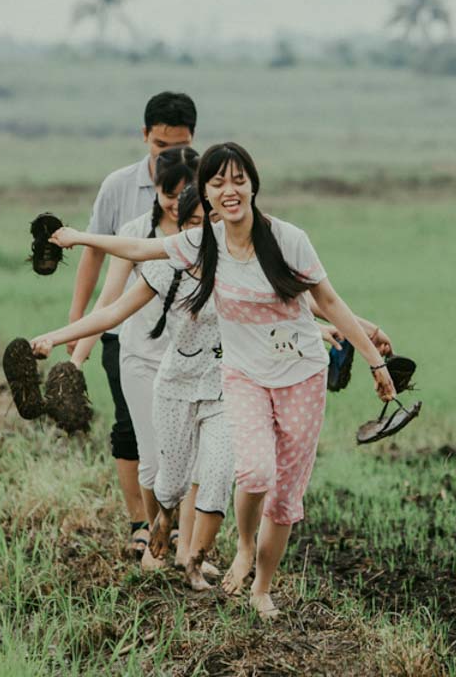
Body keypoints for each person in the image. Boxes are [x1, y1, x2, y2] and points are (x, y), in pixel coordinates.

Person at [49, 142, 396, 619]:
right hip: (242, 378)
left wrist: (373, 358)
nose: (229, 191)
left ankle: (261, 589)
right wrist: (79, 238)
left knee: (285, 498)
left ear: (253, 184)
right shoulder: (199, 244)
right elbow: (135, 250)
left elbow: (327, 302)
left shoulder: (288, 239)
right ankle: (242, 547)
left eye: (238, 180)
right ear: (206, 194)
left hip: (302, 378)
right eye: (217, 183)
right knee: (253, 472)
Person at [26, 187, 233, 589]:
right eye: (190, 224)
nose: (201, 232)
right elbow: (115, 309)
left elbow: (289, 301)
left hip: (222, 387)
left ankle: (193, 558)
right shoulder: (171, 260)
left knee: (214, 473)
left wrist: (333, 329)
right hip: (175, 383)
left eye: (210, 223)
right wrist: (54, 337)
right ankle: (163, 520)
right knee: (167, 480)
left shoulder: (240, 263)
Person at [67, 91, 196, 556]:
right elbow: (97, 256)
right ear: (145, 137)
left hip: (188, 338)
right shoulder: (119, 189)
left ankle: (179, 529)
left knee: (186, 435)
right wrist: (78, 324)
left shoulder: (204, 196)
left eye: (177, 145)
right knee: (131, 428)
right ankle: (142, 524)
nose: (166, 155)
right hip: (126, 332)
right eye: (159, 145)